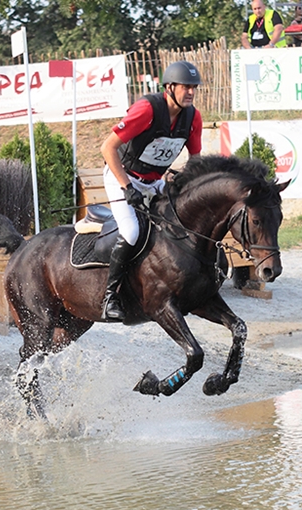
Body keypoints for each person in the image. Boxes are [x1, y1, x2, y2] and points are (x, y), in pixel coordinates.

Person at [99, 61, 204, 322]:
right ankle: (109, 297)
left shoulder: (193, 117)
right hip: (121, 176)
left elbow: (196, 159)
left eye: (193, 88)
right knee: (132, 232)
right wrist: (126, 187)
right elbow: (107, 148)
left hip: (155, 182)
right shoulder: (146, 109)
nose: (190, 92)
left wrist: (182, 182)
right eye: (185, 87)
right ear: (169, 87)